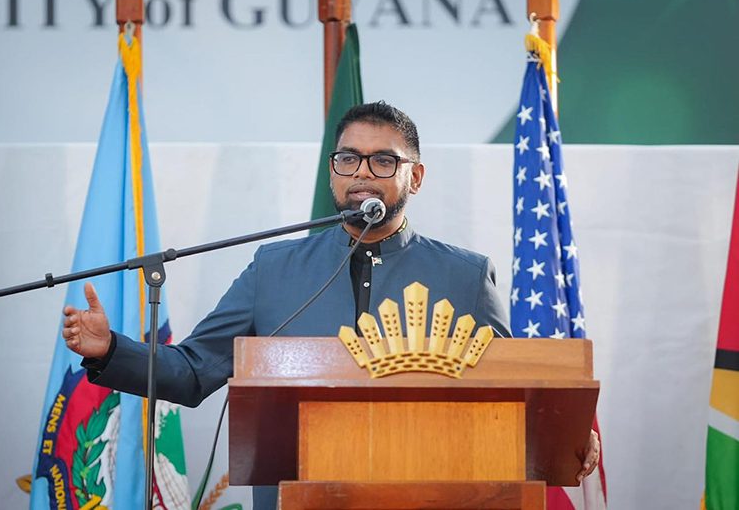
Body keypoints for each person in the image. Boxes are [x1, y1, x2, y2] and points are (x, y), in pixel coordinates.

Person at [62, 101, 600, 507]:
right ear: (332, 171)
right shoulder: (273, 269)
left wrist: (568, 436)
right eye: (348, 158)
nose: (362, 171)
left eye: (383, 160)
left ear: (415, 176)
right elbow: (192, 372)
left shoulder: (465, 275)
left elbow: (503, 401)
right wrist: (110, 350)